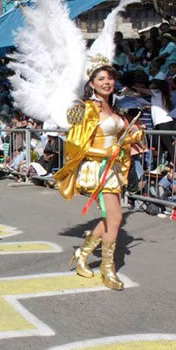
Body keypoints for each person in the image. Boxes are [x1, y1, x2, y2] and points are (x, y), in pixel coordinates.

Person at [54, 62, 143, 291]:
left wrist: (132, 137)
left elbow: (120, 139)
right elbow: (76, 147)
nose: (107, 82)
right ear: (92, 83)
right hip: (98, 169)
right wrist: (105, 151)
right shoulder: (85, 109)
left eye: (110, 78)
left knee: (110, 219)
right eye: (102, 78)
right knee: (115, 217)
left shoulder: (115, 110)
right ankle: (107, 268)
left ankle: (82, 254)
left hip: (113, 169)